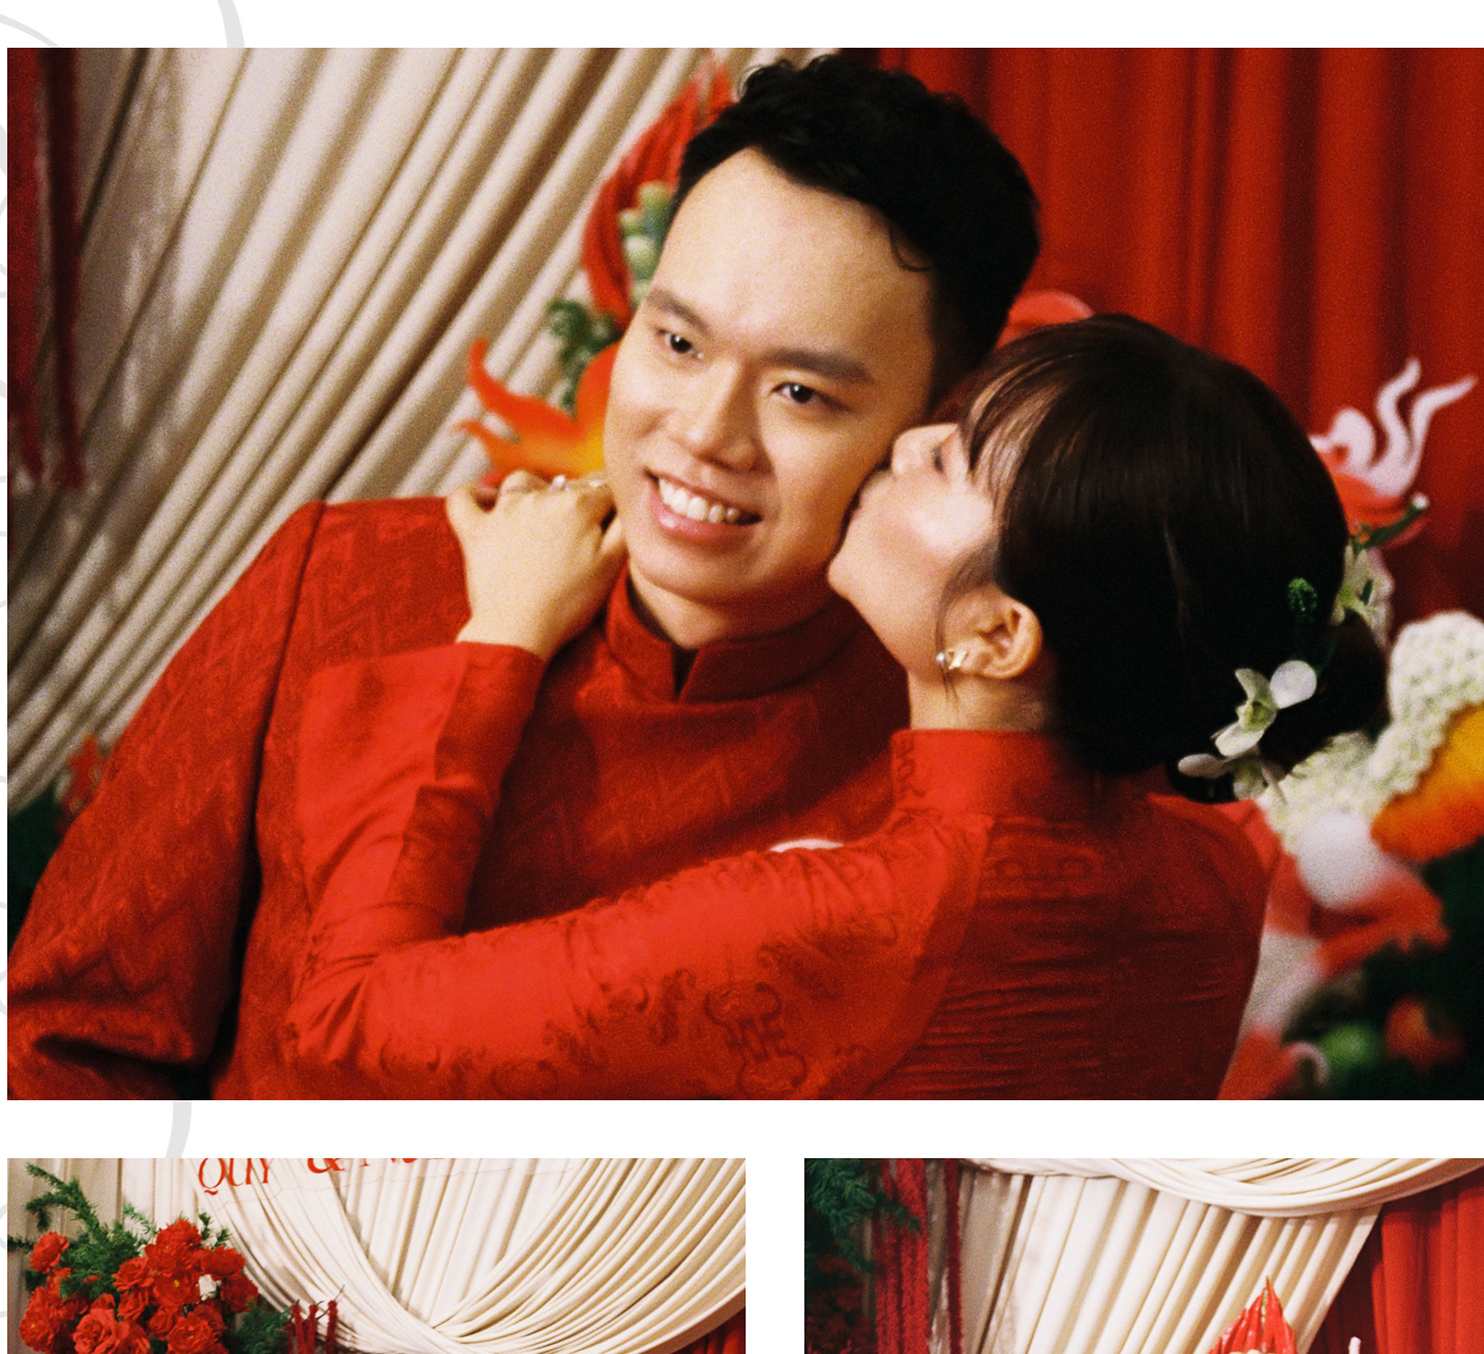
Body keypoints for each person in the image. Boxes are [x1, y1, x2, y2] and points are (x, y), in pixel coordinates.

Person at [7, 56, 1043, 1098]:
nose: (703, 432)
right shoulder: (345, 575)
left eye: (801, 394)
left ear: (937, 422)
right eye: (677, 341)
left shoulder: (952, 754)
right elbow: (64, 1038)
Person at [278, 312, 1375, 1097]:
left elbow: (347, 1018)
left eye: (952, 461)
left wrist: (503, 633)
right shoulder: (1214, 871)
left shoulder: (850, 917)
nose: (904, 443)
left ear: (998, 635)